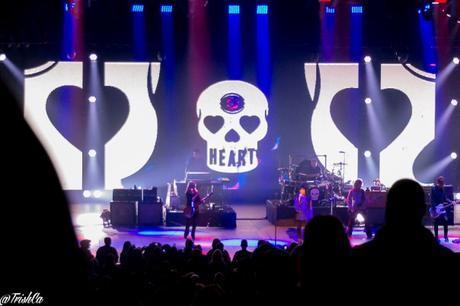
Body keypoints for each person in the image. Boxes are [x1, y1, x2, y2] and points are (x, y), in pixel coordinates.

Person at [430, 176, 454, 242]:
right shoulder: (433, 189)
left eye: (443, 184)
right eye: (441, 184)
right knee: (436, 224)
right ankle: (436, 238)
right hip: (435, 209)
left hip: (442, 209)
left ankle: (446, 236)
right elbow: (432, 200)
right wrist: (435, 208)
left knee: (446, 222)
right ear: (438, 183)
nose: (442, 185)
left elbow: (445, 198)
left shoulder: (442, 189)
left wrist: (451, 201)